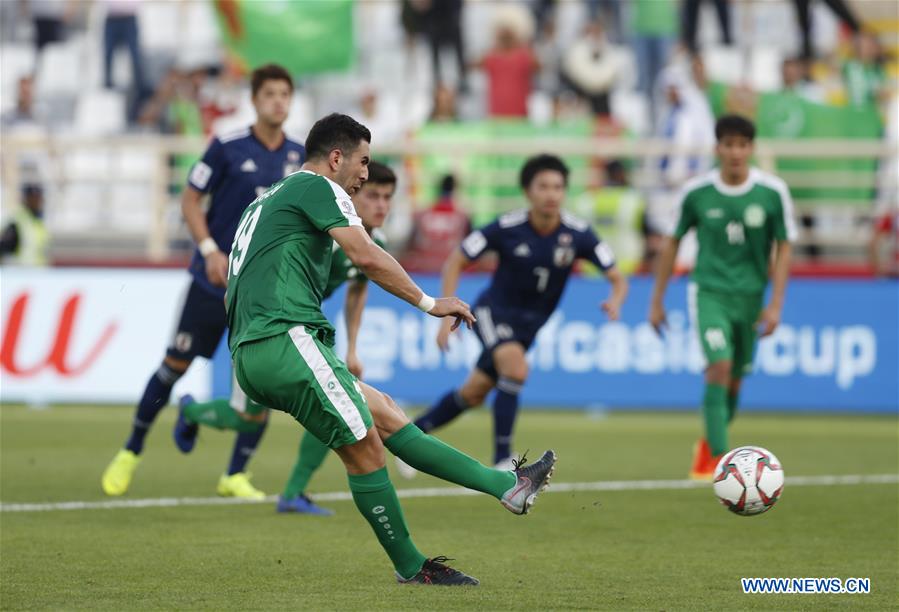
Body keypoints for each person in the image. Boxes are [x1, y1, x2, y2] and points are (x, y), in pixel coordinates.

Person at [222, 112, 557, 585]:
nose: (364, 173)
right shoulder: (317, 188)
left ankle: (508, 486)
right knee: (366, 451)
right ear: (336, 158)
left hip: (252, 349)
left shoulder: (264, 203)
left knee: (386, 413)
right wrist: (429, 302)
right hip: (285, 339)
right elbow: (364, 255)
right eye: (362, 162)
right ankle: (412, 568)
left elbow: (234, 286)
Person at [100, 64, 306, 499]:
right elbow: (191, 199)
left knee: (261, 383)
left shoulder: (298, 158)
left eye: (284, 94)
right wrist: (211, 250)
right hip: (212, 282)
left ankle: (235, 474)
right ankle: (130, 450)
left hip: (261, 292)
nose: (277, 102)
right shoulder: (227, 147)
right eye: (269, 94)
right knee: (174, 366)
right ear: (254, 99)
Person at [174, 161, 398, 516]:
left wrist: (353, 348)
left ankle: (293, 491)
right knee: (246, 418)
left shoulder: (373, 243)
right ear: (352, 194)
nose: (382, 205)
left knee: (340, 405)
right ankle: (192, 411)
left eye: (388, 197)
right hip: (267, 325)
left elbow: (358, 291)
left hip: (306, 328)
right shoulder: (323, 226)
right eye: (373, 195)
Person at [406, 154, 627, 472]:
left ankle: (411, 438)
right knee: (516, 368)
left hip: (529, 327)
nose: (551, 194)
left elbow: (617, 277)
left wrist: (616, 299)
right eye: (543, 186)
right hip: (492, 312)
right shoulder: (507, 227)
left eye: (558, 187)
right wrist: (443, 313)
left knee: (473, 393)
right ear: (528, 191)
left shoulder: (578, 233)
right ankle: (502, 462)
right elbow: (456, 259)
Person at [649, 115, 797, 480]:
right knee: (719, 366)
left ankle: (707, 445)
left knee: (734, 382)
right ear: (717, 148)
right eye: (728, 144)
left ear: (751, 148)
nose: (735, 152)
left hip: (750, 296)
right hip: (709, 291)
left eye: (742, 144)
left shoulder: (772, 193)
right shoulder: (696, 193)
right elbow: (672, 243)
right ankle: (722, 463)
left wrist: (776, 303)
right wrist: (657, 299)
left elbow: (785, 246)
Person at [401, 174, 471, 273]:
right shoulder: (463, 216)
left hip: (424, 269)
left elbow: (409, 245)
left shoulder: (421, 214)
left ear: (439, 188)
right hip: (450, 269)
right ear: (456, 189)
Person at [0, 183, 49, 266]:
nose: (36, 202)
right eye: (32, 198)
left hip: (38, 274)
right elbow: (4, 247)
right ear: (25, 199)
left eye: (38, 198)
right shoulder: (16, 222)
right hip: (19, 274)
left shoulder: (39, 222)